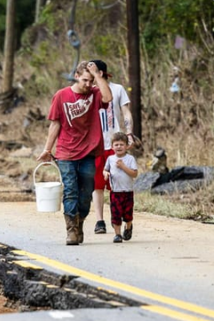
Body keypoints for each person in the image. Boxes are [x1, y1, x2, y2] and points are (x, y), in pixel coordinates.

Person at [37, 61, 113, 246]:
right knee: (70, 190)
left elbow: (108, 97)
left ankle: (79, 223)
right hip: (66, 152)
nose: (88, 84)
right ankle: (71, 230)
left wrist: (97, 76)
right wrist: (48, 149)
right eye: (85, 80)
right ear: (77, 76)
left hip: (89, 151)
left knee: (86, 192)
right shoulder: (61, 96)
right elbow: (55, 124)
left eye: (91, 81)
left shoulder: (95, 94)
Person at [88, 59, 134, 235]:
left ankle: (121, 218)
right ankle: (100, 220)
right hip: (96, 144)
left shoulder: (117, 89)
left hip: (115, 143)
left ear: (100, 73)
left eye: (93, 72)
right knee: (97, 184)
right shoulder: (89, 91)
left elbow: (126, 112)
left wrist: (129, 133)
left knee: (118, 184)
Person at [102, 132, 139, 243]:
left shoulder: (130, 159)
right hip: (115, 192)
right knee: (116, 214)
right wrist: (105, 174)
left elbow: (134, 174)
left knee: (128, 214)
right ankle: (117, 234)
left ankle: (128, 227)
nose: (119, 147)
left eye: (121, 144)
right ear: (112, 146)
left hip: (127, 192)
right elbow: (105, 169)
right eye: (116, 145)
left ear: (127, 146)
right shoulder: (110, 159)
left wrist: (123, 166)